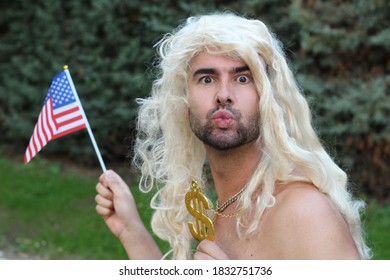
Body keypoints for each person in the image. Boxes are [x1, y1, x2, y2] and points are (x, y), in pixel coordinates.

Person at [95, 12, 371, 260]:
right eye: (207, 79)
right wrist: (131, 230)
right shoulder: (227, 208)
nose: (223, 94)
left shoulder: (304, 212)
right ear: (183, 103)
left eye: (242, 78)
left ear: (267, 99)